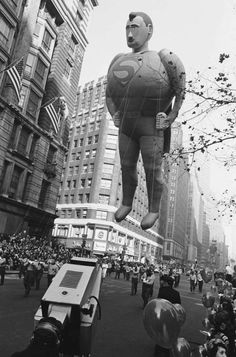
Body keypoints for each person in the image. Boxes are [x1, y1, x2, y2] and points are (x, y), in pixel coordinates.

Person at [106, 11, 186, 230]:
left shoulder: (164, 57)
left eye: (135, 28)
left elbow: (180, 90)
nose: (130, 34)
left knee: (152, 169)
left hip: (152, 125)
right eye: (128, 28)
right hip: (127, 125)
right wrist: (114, 112)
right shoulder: (118, 59)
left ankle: (153, 209)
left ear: (149, 30)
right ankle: (126, 202)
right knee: (127, 165)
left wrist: (170, 117)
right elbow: (108, 93)